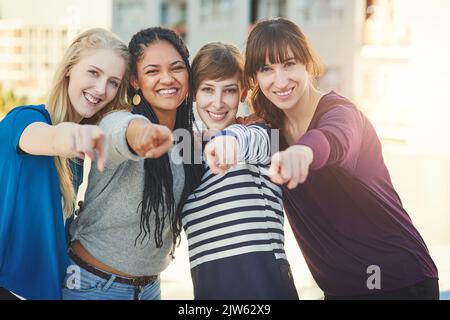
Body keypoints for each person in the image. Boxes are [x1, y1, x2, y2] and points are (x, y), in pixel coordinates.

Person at [241, 17, 439, 299]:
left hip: (397, 281)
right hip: (340, 289)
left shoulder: (340, 112)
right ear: (256, 78)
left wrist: (303, 152)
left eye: (289, 64)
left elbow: (335, 138)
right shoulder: (270, 131)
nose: (280, 80)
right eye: (267, 69)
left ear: (307, 64)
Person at [62, 27, 203, 300]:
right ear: (135, 81)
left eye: (176, 68)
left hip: (150, 288)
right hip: (91, 284)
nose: (167, 78)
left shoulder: (188, 140)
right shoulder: (118, 120)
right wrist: (144, 134)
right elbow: (122, 132)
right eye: (152, 71)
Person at [0, 28, 130, 300]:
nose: (101, 89)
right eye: (93, 73)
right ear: (70, 68)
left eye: (113, 82)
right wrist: (76, 135)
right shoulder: (23, 120)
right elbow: (52, 137)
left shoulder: (78, 159)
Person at [181, 42, 298, 299]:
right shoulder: (186, 149)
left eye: (229, 91)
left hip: (264, 286)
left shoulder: (262, 132)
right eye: (208, 89)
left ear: (243, 93)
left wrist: (230, 140)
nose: (218, 102)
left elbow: (253, 140)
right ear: (193, 94)